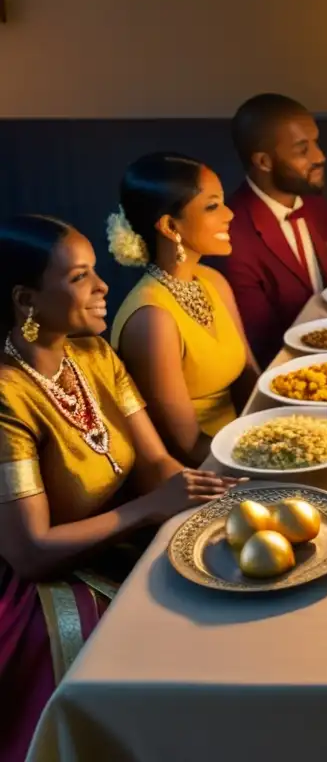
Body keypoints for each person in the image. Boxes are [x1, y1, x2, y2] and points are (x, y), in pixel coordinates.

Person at [0, 215, 240, 762]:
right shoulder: (7, 396)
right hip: (41, 587)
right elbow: (29, 552)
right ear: (26, 299)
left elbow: (156, 460)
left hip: (121, 533)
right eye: (81, 276)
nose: (103, 286)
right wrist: (151, 510)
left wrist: (219, 488)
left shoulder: (94, 355)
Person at [109, 153, 260, 467]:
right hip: (209, 471)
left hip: (246, 444)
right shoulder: (151, 319)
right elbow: (186, 448)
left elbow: (249, 378)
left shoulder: (213, 281)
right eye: (212, 206)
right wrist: (267, 458)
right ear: (169, 225)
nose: (230, 214)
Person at [214, 93, 327, 367]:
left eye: (316, 143)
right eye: (303, 150)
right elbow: (261, 343)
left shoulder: (314, 203)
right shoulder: (232, 234)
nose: (320, 156)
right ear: (264, 162)